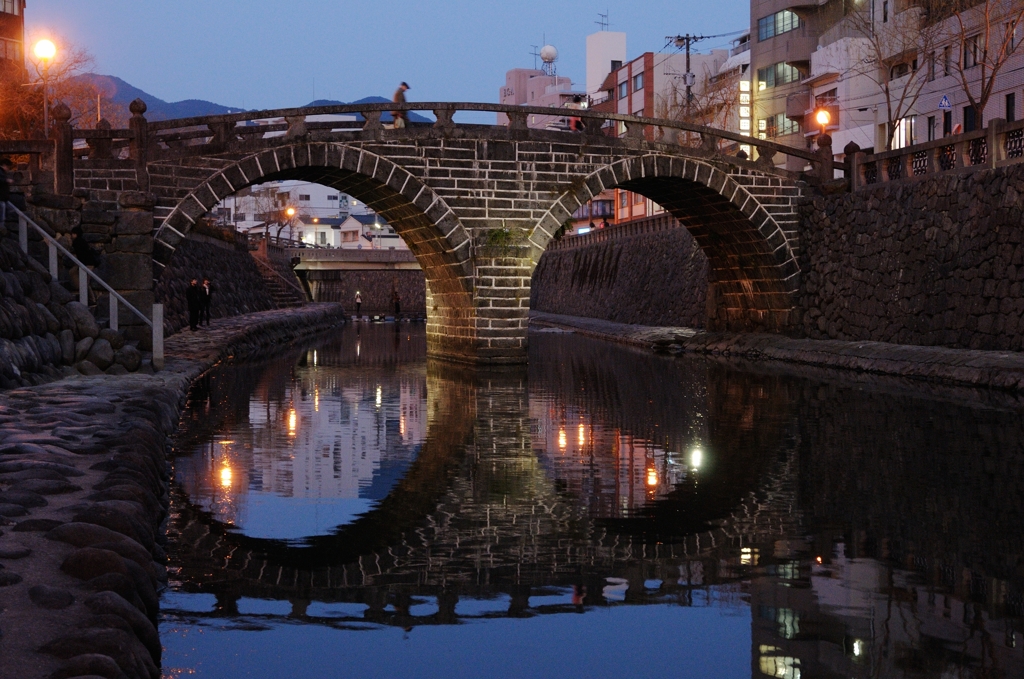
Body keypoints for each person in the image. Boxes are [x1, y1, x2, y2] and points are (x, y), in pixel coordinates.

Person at [0, 158, 12, 225]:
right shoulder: (1, 172)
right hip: (1, 198)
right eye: (8, 167)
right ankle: (2, 227)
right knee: (2, 216)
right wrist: (6, 180)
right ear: (5, 165)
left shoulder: (2, 172)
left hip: (3, 198)